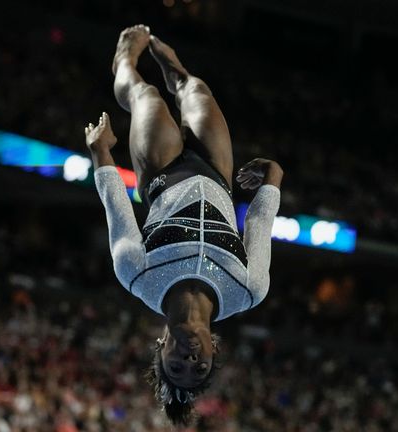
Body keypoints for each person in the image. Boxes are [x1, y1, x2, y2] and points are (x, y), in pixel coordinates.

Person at [84, 25, 283, 426]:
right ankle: (174, 67)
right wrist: (274, 178)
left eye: (176, 368)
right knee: (196, 91)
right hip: (216, 174)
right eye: (200, 367)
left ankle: (123, 62)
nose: (189, 360)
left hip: (161, 173)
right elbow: (260, 223)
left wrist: (100, 153)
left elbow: (115, 206)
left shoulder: (138, 277)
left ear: (160, 348)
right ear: (215, 352)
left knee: (146, 96)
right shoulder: (247, 290)